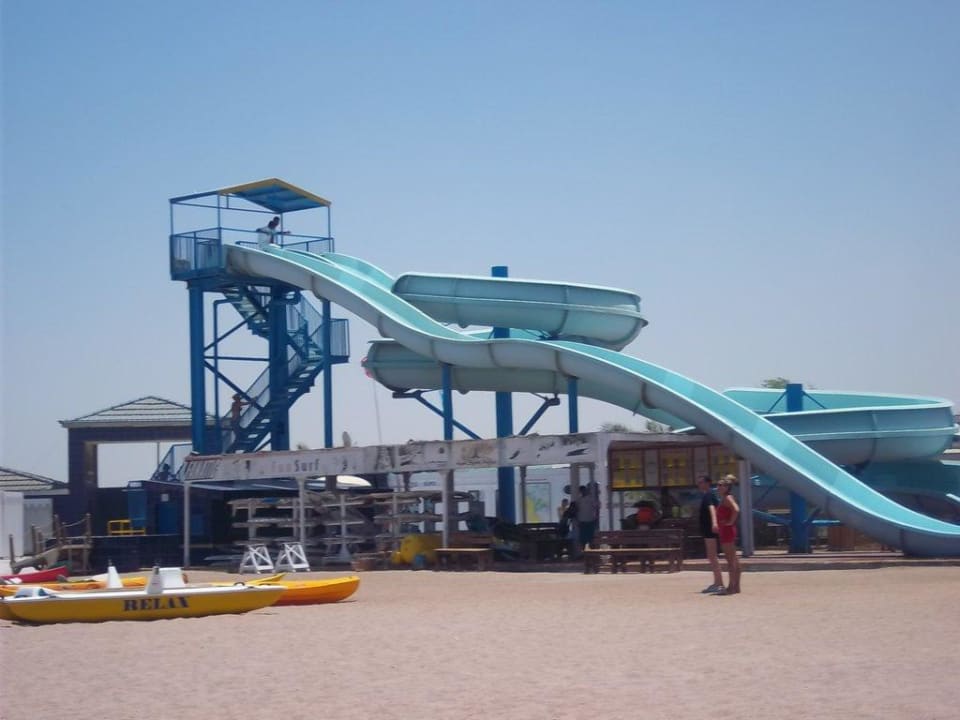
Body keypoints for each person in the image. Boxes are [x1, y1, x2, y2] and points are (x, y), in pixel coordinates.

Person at [696, 475, 724, 593]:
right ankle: (717, 582)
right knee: (711, 556)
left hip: (709, 529)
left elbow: (712, 509)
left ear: (707, 483)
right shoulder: (708, 495)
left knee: (712, 556)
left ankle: (719, 583)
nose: (699, 484)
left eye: (701, 482)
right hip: (707, 529)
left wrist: (714, 523)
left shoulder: (708, 495)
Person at [716, 474, 742, 595]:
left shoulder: (727, 498)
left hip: (727, 530)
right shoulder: (725, 498)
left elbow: (736, 509)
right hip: (727, 530)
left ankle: (731, 586)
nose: (719, 487)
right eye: (718, 485)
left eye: (721, 485)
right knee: (734, 559)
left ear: (727, 487)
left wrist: (730, 522)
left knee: (730, 560)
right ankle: (736, 586)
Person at [576, 485, 598, 551]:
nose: (583, 492)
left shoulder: (591, 498)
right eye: (581, 490)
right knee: (582, 538)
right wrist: (578, 520)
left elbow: (596, 508)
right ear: (580, 491)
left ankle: (593, 551)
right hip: (582, 521)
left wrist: (595, 518)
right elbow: (577, 510)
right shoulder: (579, 500)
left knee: (591, 537)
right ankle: (583, 552)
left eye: (584, 490)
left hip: (590, 520)